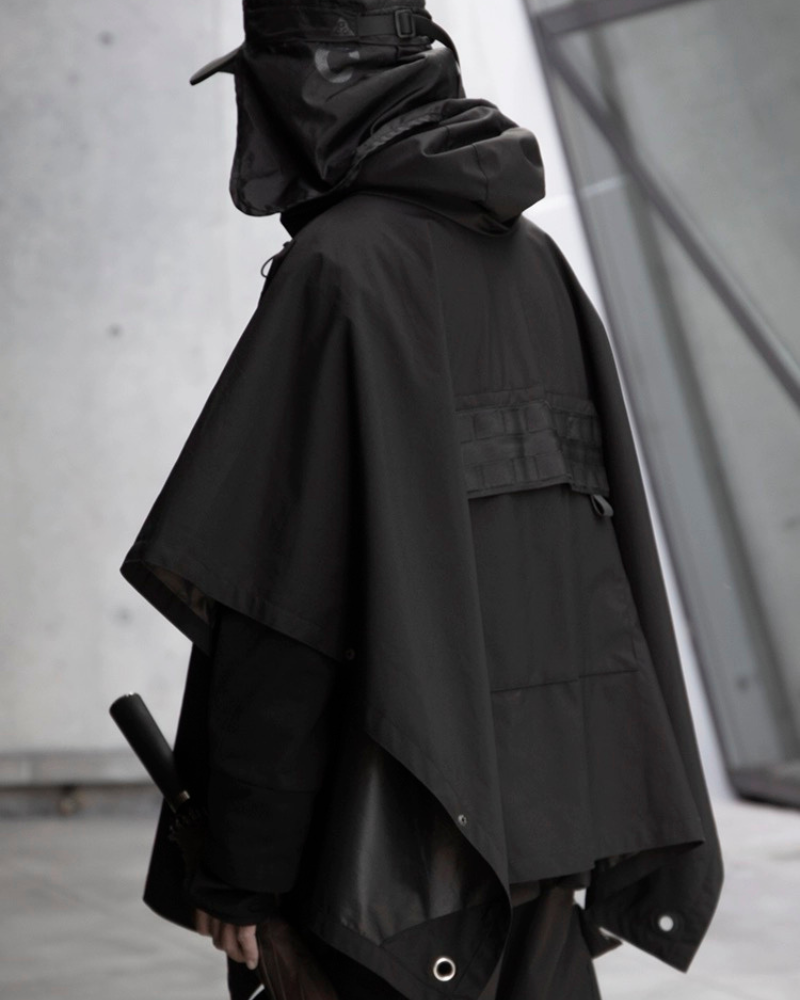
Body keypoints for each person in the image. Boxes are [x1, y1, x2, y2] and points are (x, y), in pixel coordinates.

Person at [120, 2, 724, 999]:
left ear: (303, 85)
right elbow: (591, 581)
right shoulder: (535, 264)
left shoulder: (338, 273)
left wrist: (239, 871)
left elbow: (278, 609)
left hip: (378, 891)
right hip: (534, 851)